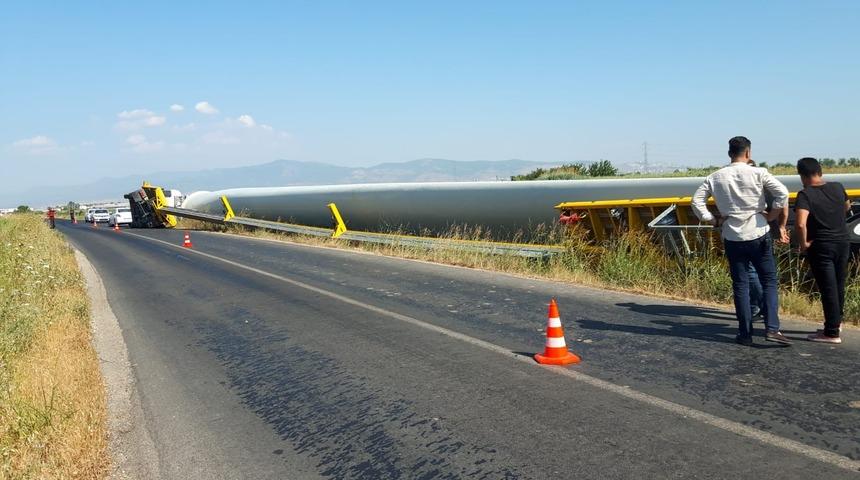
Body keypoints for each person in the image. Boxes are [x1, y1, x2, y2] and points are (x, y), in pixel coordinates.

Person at [691, 136, 791, 346]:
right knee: (769, 280)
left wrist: (713, 220)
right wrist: (773, 216)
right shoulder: (758, 172)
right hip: (758, 231)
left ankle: (745, 332)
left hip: (732, 235)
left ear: (729, 154)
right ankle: (772, 328)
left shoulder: (715, 177)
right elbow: (782, 192)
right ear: (748, 153)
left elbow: (696, 202)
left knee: (740, 284)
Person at [794, 157, 851, 344]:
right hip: (843, 242)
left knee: (828, 288)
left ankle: (831, 333)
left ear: (801, 175)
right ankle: (836, 322)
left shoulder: (805, 195)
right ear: (820, 171)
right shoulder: (838, 187)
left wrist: (803, 245)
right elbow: (846, 206)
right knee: (839, 284)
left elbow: (801, 224)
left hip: (822, 246)